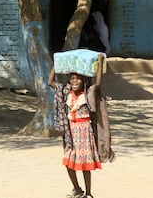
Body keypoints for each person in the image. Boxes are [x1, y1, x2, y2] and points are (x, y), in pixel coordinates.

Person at [48, 53, 105, 198]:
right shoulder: (66, 92)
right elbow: (50, 82)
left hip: (84, 132)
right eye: (72, 78)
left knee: (85, 164)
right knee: (68, 162)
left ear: (84, 80)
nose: (74, 81)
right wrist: (57, 64)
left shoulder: (88, 93)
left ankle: (89, 192)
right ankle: (77, 188)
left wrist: (100, 61)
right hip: (71, 132)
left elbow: (98, 84)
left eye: (78, 78)